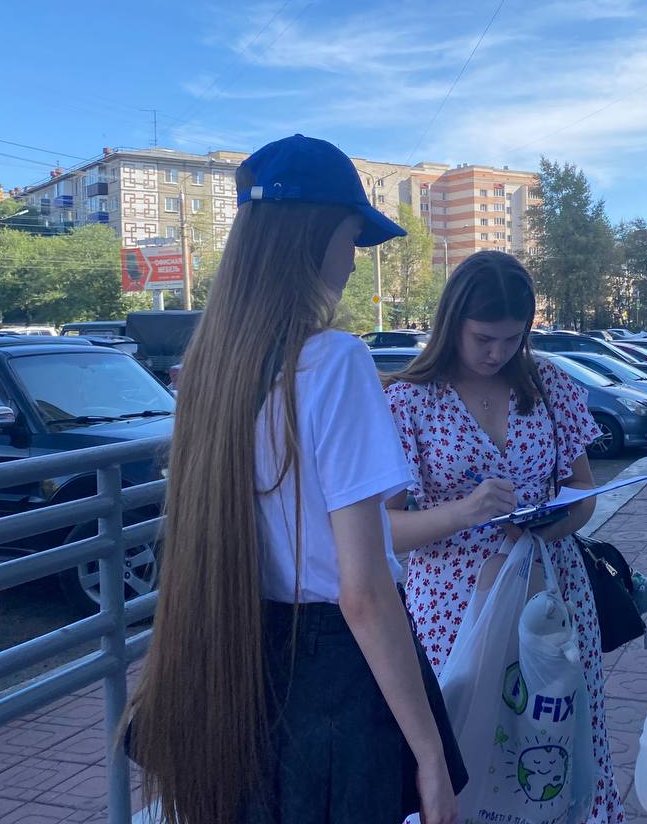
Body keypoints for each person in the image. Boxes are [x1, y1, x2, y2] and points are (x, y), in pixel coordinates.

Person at [126, 135, 464, 824]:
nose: (353, 259)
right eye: (351, 237)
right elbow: (363, 592)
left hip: (232, 658)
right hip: (332, 679)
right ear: (313, 236)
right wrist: (430, 751)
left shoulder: (212, 371)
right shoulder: (334, 361)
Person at [384, 251, 626, 824]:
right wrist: (464, 512)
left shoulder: (547, 385)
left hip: (551, 593)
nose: (497, 353)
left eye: (512, 339)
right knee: (465, 742)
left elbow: (583, 491)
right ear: (452, 323)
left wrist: (555, 520)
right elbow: (385, 530)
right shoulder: (408, 401)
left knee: (555, 736)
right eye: (483, 338)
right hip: (453, 606)